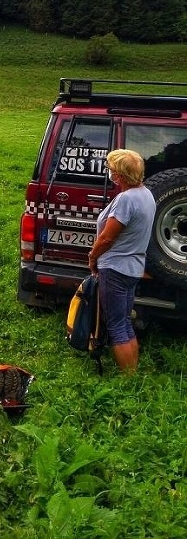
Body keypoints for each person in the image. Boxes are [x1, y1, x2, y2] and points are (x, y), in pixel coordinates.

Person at [87, 149, 156, 373]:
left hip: (115, 268)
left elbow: (107, 237)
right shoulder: (146, 194)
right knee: (124, 321)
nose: (109, 173)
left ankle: (127, 379)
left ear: (120, 175)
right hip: (133, 268)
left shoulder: (126, 200)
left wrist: (92, 256)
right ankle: (132, 371)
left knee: (116, 325)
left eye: (111, 170)